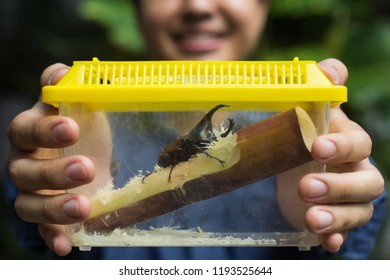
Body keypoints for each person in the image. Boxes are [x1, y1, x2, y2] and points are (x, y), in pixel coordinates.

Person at [6, 0, 387, 260]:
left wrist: (326, 197)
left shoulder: (304, 135)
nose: (199, 7)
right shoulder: (88, 131)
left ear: (264, 6)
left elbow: (341, 247)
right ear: (136, 9)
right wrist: (75, 212)